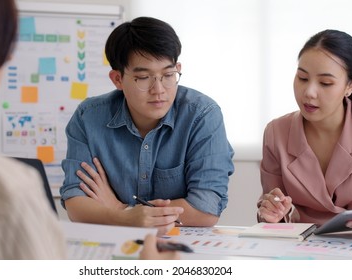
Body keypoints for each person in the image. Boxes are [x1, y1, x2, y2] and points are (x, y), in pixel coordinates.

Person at [0, 0, 178, 260]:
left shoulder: (200, 111)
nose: (159, 88)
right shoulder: (4, 190)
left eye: (168, 74)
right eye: (3, 49)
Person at [60, 17, 234, 235]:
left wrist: (119, 209)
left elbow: (206, 208)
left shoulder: (202, 115)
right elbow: (76, 203)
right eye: (143, 77)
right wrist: (126, 218)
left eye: (168, 75)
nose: (159, 89)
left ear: (178, 69)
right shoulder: (88, 117)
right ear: (117, 79)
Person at [258, 29, 352, 237]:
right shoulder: (276, 132)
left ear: (350, 86)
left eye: (325, 83)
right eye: (302, 78)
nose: (309, 92)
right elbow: (273, 209)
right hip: (301, 249)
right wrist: (273, 213)